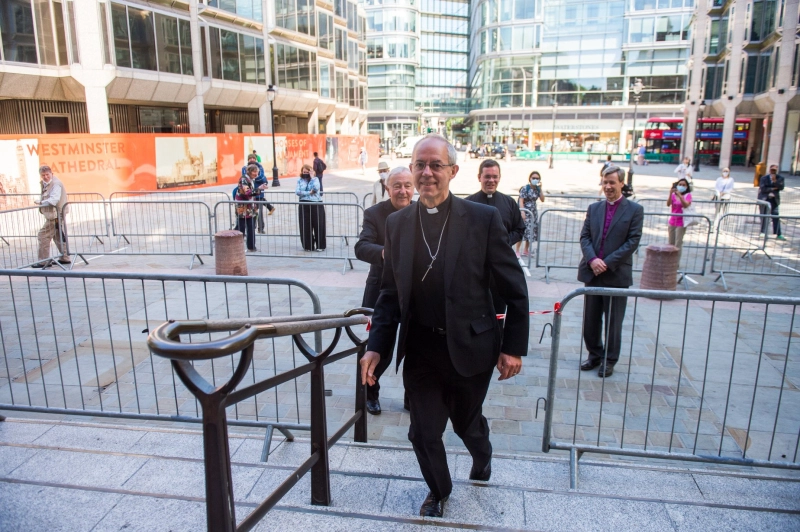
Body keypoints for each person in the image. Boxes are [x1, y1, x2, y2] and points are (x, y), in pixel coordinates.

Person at [360, 134, 529, 518]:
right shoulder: (398, 224)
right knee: (421, 432)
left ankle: (482, 455)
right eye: (420, 164)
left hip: (472, 347)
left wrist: (513, 347)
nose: (427, 173)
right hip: (421, 349)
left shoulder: (483, 219)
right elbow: (389, 294)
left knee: (467, 425)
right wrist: (376, 346)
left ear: (453, 171)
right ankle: (439, 490)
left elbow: (514, 288)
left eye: (436, 165)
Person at [354, 166, 415, 415]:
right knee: (379, 349)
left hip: (415, 294)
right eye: (397, 186)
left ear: (415, 188)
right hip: (381, 292)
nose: (403, 191)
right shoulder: (374, 214)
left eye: (407, 186)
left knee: (415, 348)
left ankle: (413, 397)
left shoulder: (423, 211)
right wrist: (385, 253)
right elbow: (361, 247)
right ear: (387, 188)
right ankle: (370, 394)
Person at [578, 165, 644, 378]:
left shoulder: (634, 210)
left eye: (612, 182)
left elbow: (633, 241)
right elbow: (585, 236)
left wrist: (606, 262)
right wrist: (593, 259)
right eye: (604, 182)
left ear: (621, 184)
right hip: (592, 272)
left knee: (613, 322)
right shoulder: (594, 208)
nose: (607, 186)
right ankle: (594, 354)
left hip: (616, 275)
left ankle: (610, 359)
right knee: (591, 319)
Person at [466, 159, 525, 247]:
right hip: (475, 257)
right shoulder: (467, 203)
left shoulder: (509, 203)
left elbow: (519, 229)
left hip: (502, 257)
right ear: (479, 177)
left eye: (495, 177)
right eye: (487, 176)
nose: (491, 180)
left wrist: (505, 242)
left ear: (499, 177)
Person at [32, 165, 71, 268]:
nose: (45, 177)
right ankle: (65, 258)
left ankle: (43, 261)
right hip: (55, 214)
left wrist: (40, 202)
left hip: (55, 215)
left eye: (47, 174)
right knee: (58, 235)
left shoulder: (56, 184)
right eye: (43, 175)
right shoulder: (48, 183)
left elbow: (54, 200)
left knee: (43, 235)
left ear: (51, 174)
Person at [295, 163, 326, 251]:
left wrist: (312, 178)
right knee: (305, 225)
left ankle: (320, 245)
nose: (305, 174)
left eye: (307, 172)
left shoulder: (315, 179)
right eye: (304, 172)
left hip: (316, 203)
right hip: (304, 204)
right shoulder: (300, 180)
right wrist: (308, 192)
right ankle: (308, 246)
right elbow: (297, 192)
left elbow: (316, 188)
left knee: (318, 224)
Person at [241, 154, 275, 234]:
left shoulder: (260, 167)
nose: (252, 159)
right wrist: (256, 178)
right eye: (250, 158)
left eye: (253, 158)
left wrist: (255, 177)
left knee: (259, 213)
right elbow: (246, 177)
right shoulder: (244, 168)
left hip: (259, 195)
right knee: (248, 214)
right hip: (249, 196)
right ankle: (250, 229)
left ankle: (261, 228)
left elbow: (263, 178)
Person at [516, 171, 546, 258]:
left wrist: (541, 189)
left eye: (537, 178)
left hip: (533, 213)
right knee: (522, 230)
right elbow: (521, 200)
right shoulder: (525, 188)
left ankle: (526, 250)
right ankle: (517, 251)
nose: (535, 180)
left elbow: (542, 199)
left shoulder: (537, 189)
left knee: (531, 231)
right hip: (525, 212)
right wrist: (522, 212)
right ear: (530, 178)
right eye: (534, 178)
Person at [235, 164, 262, 253]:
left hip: (250, 206)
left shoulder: (250, 179)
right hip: (243, 207)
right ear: (249, 172)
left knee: (251, 227)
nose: (256, 174)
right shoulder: (244, 179)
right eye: (254, 172)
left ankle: (251, 246)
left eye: (257, 172)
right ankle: (237, 247)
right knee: (241, 228)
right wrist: (259, 189)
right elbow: (247, 192)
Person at [667, 178, 693, 261]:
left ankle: (676, 262)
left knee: (678, 243)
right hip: (672, 220)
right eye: (680, 184)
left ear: (687, 187)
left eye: (683, 185)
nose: (681, 186)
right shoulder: (674, 195)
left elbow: (686, 205)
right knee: (671, 242)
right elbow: (668, 204)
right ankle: (669, 261)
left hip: (681, 222)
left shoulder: (687, 195)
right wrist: (670, 193)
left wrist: (680, 196)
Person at [758, 165, 786, 240]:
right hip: (765, 199)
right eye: (772, 170)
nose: (773, 172)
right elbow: (763, 188)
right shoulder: (764, 178)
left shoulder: (780, 178)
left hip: (774, 200)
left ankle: (778, 233)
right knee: (764, 216)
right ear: (769, 170)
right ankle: (763, 232)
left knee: (776, 216)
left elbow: (781, 187)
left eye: (775, 170)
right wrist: (773, 188)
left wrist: (775, 181)